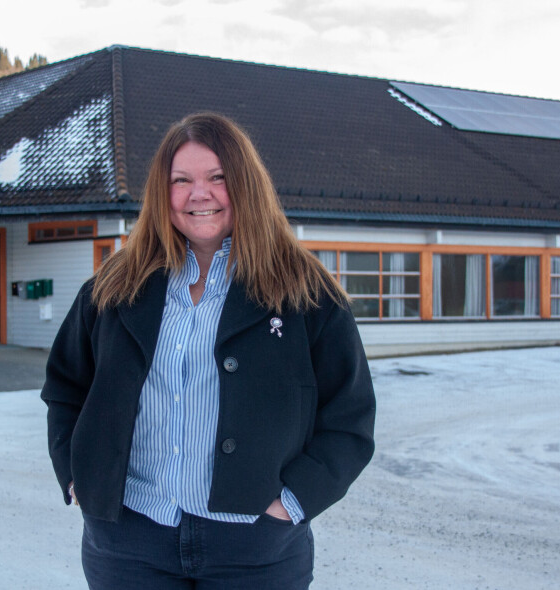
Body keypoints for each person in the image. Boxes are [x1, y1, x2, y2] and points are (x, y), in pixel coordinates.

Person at [41, 112, 375, 589]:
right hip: (127, 542)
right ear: (163, 192)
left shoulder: (306, 292)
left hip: (255, 548)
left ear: (246, 185)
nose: (200, 194)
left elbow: (350, 417)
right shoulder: (112, 289)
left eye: (218, 177)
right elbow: (65, 388)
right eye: (182, 180)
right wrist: (79, 478)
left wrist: (293, 503)